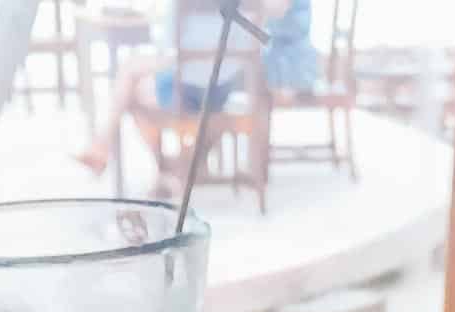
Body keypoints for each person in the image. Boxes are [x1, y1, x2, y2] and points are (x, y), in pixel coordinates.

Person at [77, 0, 316, 187]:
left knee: (131, 82)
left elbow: (168, 49)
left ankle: (149, 164)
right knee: (135, 75)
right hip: (222, 92)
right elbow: (268, 26)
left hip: (184, 93)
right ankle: (183, 166)